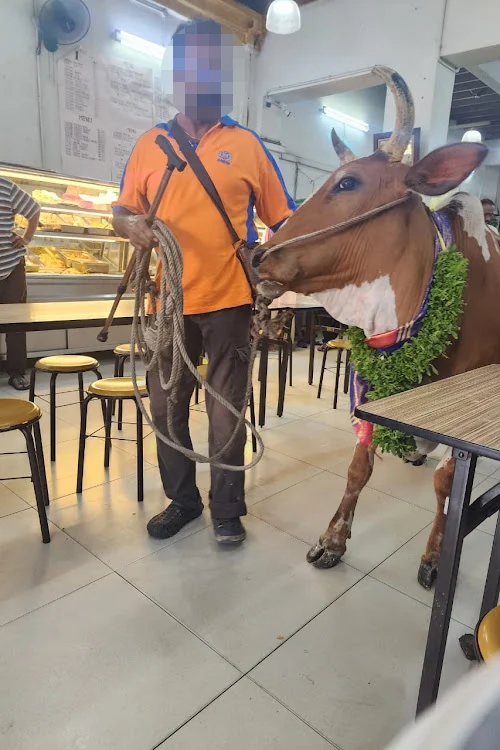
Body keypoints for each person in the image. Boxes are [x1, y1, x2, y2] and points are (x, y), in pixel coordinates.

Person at [113, 18, 295, 545]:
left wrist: (278, 265)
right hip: (169, 301)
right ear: (177, 74)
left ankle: (226, 509)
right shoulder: (151, 145)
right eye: (189, 63)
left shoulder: (248, 146)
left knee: (226, 411)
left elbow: (283, 221)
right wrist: (131, 226)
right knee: (166, 405)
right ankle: (183, 502)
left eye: (210, 62)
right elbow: (122, 212)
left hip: (231, 301)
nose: (200, 73)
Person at [0, 177, 40, 390]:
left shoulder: (5, 187)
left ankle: (16, 372)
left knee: (15, 322)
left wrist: (26, 237)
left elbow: (34, 210)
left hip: (11, 266)